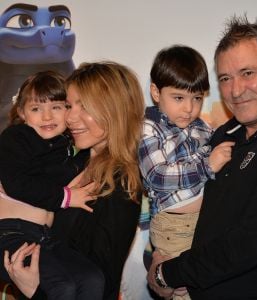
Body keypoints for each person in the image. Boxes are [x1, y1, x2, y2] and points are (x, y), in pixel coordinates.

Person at [147, 15, 257, 299]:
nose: (236, 90)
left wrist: (167, 273)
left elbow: (250, 243)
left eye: (248, 73)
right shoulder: (225, 132)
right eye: (226, 78)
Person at [139, 45, 233, 299]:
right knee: (183, 290)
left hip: (204, 221)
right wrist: (207, 165)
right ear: (156, 92)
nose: (189, 108)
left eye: (198, 98)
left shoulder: (201, 127)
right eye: (179, 98)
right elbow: (157, 176)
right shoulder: (149, 129)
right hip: (174, 226)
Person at [0, 71, 105, 299]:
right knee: (62, 287)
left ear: (69, 111)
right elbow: (17, 184)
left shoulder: (62, 145)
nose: (47, 116)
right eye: (36, 109)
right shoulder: (16, 138)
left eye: (56, 107)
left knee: (92, 278)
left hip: (45, 238)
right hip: (11, 234)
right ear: (22, 113)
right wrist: (67, 198)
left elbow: (67, 170)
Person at [51, 61, 144, 300]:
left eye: (84, 107)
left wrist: (32, 285)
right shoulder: (72, 162)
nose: (70, 117)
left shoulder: (122, 183)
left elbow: (97, 281)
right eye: (69, 106)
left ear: (114, 111)